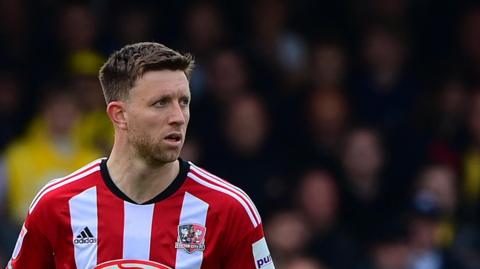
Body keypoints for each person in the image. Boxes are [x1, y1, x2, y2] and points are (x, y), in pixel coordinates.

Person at [7, 42, 275, 269]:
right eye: (161, 103)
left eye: (184, 102)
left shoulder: (229, 209)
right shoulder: (56, 205)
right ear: (119, 115)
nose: (178, 118)